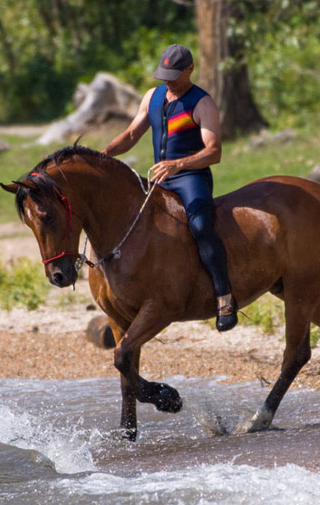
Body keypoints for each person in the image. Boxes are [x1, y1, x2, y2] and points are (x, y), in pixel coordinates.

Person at [102, 44, 238, 332]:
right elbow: (130, 134)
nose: (168, 81)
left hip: (191, 177)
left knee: (201, 226)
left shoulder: (202, 103)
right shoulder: (152, 97)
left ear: (190, 70)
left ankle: (224, 297)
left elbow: (214, 152)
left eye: (174, 75)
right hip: (159, 178)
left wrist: (178, 165)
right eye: (164, 75)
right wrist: (103, 156)